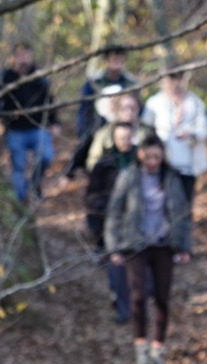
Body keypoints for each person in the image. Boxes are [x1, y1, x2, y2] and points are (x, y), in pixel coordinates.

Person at [105, 132, 193, 364]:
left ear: (163, 156)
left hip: (164, 244)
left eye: (157, 157)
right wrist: (114, 247)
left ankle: (158, 350)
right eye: (149, 156)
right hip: (136, 244)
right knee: (138, 296)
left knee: (162, 297)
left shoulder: (171, 178)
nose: (153, 161)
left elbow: (183, 213)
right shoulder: (129, 176)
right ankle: (141, 348)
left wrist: (184, 246)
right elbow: (114, 212)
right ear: (141, 154)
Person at [84, 110, 140, 324]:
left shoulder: (141, 161)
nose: (125, 142)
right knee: (116, 264)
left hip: (137, 221)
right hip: (110, 221)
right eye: (120, 138)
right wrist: (105, 210)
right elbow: (91, 196)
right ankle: (122, 305)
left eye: (128, 138)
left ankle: (135, 302)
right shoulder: (104, 164)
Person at [0, 44, 57, 202]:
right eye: (20, 56)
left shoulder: (39, 78)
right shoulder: (5, 78)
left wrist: (54, 123)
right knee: (19, 166)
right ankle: (20, 200)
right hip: (15, 130)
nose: (24, 60)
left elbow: (49, 101)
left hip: (38, 128)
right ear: (14, 58)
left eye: (26, 55)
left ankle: (34, 184)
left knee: (46, 155)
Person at [142, 70, 207, 202]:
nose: (175, 83)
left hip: (188, 167)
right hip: (162, 165)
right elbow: (145, 130)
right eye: (171, 79)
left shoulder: (195, 102)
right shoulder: (155, 103)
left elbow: (205, 130)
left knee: (185, 202)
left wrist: (191, 134)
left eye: (178, 79)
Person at [72, 44, 135, 168]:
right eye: (114, 59)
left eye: (120, 59)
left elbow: (136, 105)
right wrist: (83, 129)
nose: (117, 63)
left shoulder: (130, 82)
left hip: (125, 124)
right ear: (106, 60)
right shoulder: (95, 82)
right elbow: (85, 108)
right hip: (98, 123)